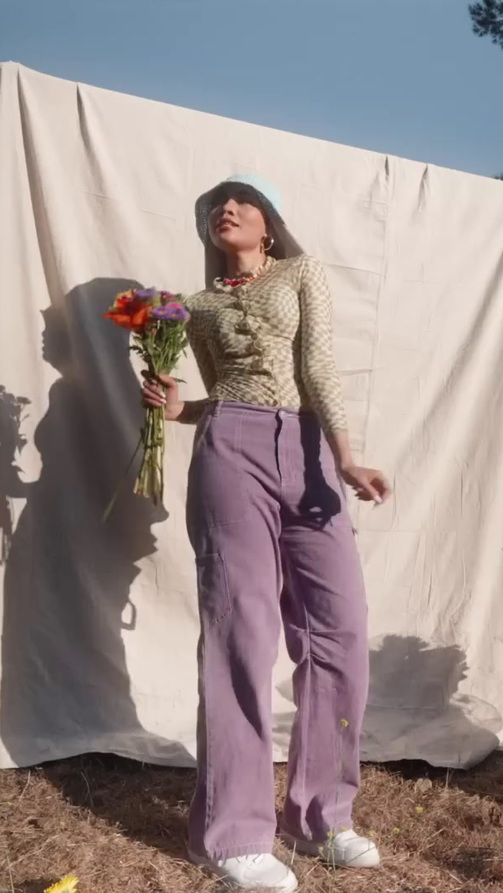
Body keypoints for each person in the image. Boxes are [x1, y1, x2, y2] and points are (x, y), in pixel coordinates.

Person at [140, 174, 391, 891]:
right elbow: (218, 389)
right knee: (241, 630)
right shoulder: (195, 306)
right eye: (215, 205)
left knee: (338, 630)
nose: (227, 209)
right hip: (231, 451)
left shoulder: (301, 274)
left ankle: (321, 815)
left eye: (242, 202)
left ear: (267, 224)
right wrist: (179, 404)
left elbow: (317, 367)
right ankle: (231, 833)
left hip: (309, 448)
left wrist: (343, 458)